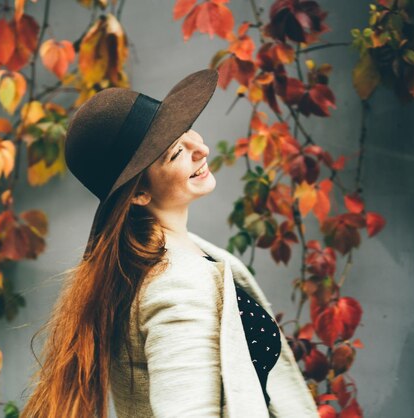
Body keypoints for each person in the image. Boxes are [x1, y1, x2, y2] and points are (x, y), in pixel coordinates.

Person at [20, 69, 318, 417]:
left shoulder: (178, 255)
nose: (201, 148)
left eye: (186, 132)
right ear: (140, 193)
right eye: (176, 153)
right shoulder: (174, 285)